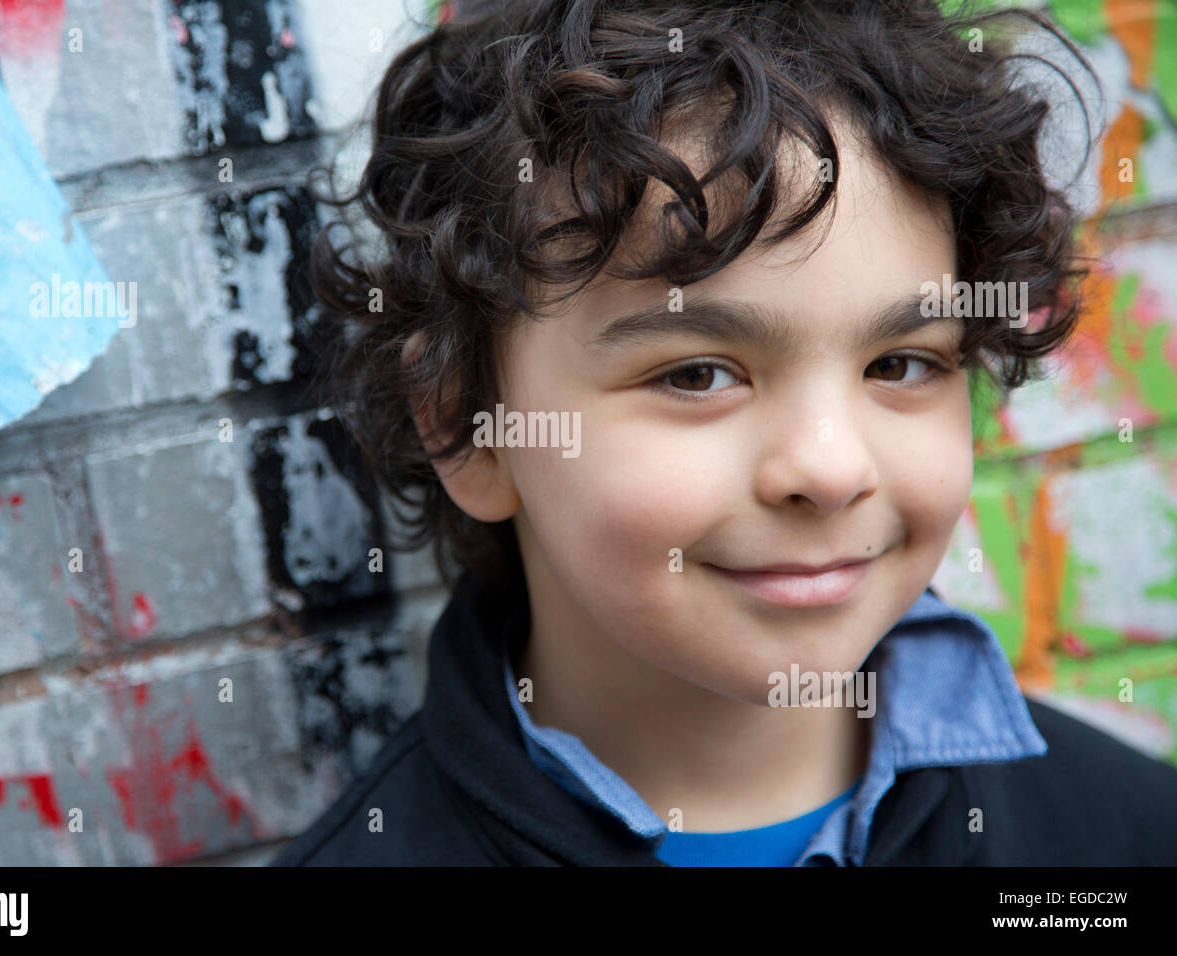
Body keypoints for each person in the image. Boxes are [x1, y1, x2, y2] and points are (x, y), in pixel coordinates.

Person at [272, 0, 1177, 865]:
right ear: (467, 426)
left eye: (900, 363)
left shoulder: (1122, 839)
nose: (829, 468)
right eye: (697, 375)